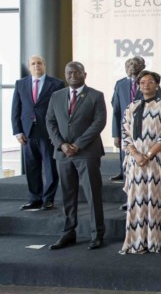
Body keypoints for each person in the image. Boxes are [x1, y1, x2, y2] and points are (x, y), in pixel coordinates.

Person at [46, 61, 107, 250]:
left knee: (92, 194)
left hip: (87, 152)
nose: (72, 74)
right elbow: (50, 121)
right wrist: (62, 144)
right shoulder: (56, 96)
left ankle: (97, 234)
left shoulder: (96, 95)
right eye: (68, 72)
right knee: (67, 195)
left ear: (84, 74)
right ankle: (68, 232)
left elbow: (99, 122)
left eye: (76, 72)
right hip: (63, 154)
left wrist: (78, 145)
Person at [120, 71, 161, 253]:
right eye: (143, 82)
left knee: (159, 200)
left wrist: (149, 154)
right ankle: (138, 242)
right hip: (136, 164)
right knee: (137, 201)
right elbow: (125, 135)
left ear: (157, 85)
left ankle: (160, 242)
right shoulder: (131, 108)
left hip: (159, 163)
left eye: (150, 82)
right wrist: (137, 155)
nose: (146, 85)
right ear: (138, 85)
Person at [11, 55, 65, 210]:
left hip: (48, 133)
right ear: (29, 66)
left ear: (44, 65)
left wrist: (58, 133)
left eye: (39, 63)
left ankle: (48, 199)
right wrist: (17, 131)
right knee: (31, 167)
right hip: (27, 133)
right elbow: (16, 109)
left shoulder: (56, 84)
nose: (36, 66)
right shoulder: (20, 84)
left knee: (50, 167)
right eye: (33, 63)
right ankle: (35, 198)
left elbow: (61, 110)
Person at [111, 56, 158, 183]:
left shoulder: (151, 83)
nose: (132, 67)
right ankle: (126, 181)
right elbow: (116, 109)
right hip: (125, 127)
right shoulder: (120, 84)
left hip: (145, 129)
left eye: (136, 64)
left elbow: (157, 106)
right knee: (125, 154)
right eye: (130, 64)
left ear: (143, 66)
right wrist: (116, 134)